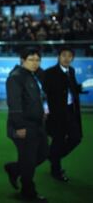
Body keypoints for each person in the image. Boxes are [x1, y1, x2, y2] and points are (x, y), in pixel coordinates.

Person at [4, 48, 48, 202]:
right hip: (24, 126)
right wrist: (19, 127)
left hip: (38, 125)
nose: (35, 63)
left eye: (38, 60)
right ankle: (28, 193)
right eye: (31, 59)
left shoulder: (34, 74)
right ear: (22, 60)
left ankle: (14, 169)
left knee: (43, 154)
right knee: (28, 162)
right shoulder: (15, 77)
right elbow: (14, 105)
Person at [44, 46, 83, 182]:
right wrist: (45, 110)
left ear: (73, 58)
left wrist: (81, 88)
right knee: (58, 141)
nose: (67, 58)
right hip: (56, 114)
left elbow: (72, 88)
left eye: (70, 55)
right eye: (64, 55)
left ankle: (52, 156)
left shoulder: (71, 71)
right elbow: (44, 93)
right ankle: (56, 170)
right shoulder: (50, 73)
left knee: (76, 137)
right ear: (58, 57)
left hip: (71, 111)